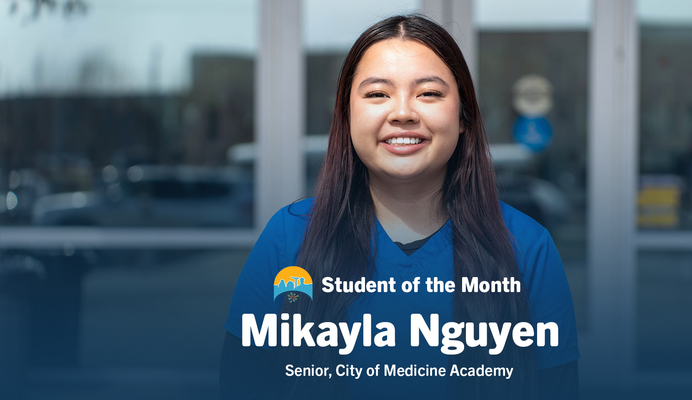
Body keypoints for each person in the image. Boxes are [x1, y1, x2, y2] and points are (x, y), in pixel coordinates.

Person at [220, 14, 579, 400]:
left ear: (463, 117)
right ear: (346, 115)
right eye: (377, 94)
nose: (403, 112)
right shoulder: (289, 239)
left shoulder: (527, 248)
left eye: (429, 93)